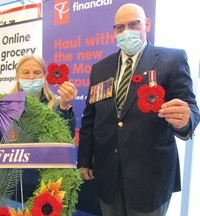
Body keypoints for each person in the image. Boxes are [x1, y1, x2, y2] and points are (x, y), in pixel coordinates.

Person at [77, 3, 199, 216]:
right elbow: (90, 117)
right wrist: (85, 159)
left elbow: (190, 109)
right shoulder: (100, 68)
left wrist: (185, 121)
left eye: (133, 24)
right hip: (107, 174)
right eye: (119, 27)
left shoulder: (172, 60)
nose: (126, 31)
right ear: (113, 31)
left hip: (151, 176)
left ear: (146, 24)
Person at [0, 54, 78, 203]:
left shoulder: (56, 106)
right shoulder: (2, 108)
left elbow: (65, 142)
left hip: (47, 186)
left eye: (37, 72)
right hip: (8, 188)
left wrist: (65, 107)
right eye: (26, 72)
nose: (31, 77)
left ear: (44, 76)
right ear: (17, 77)